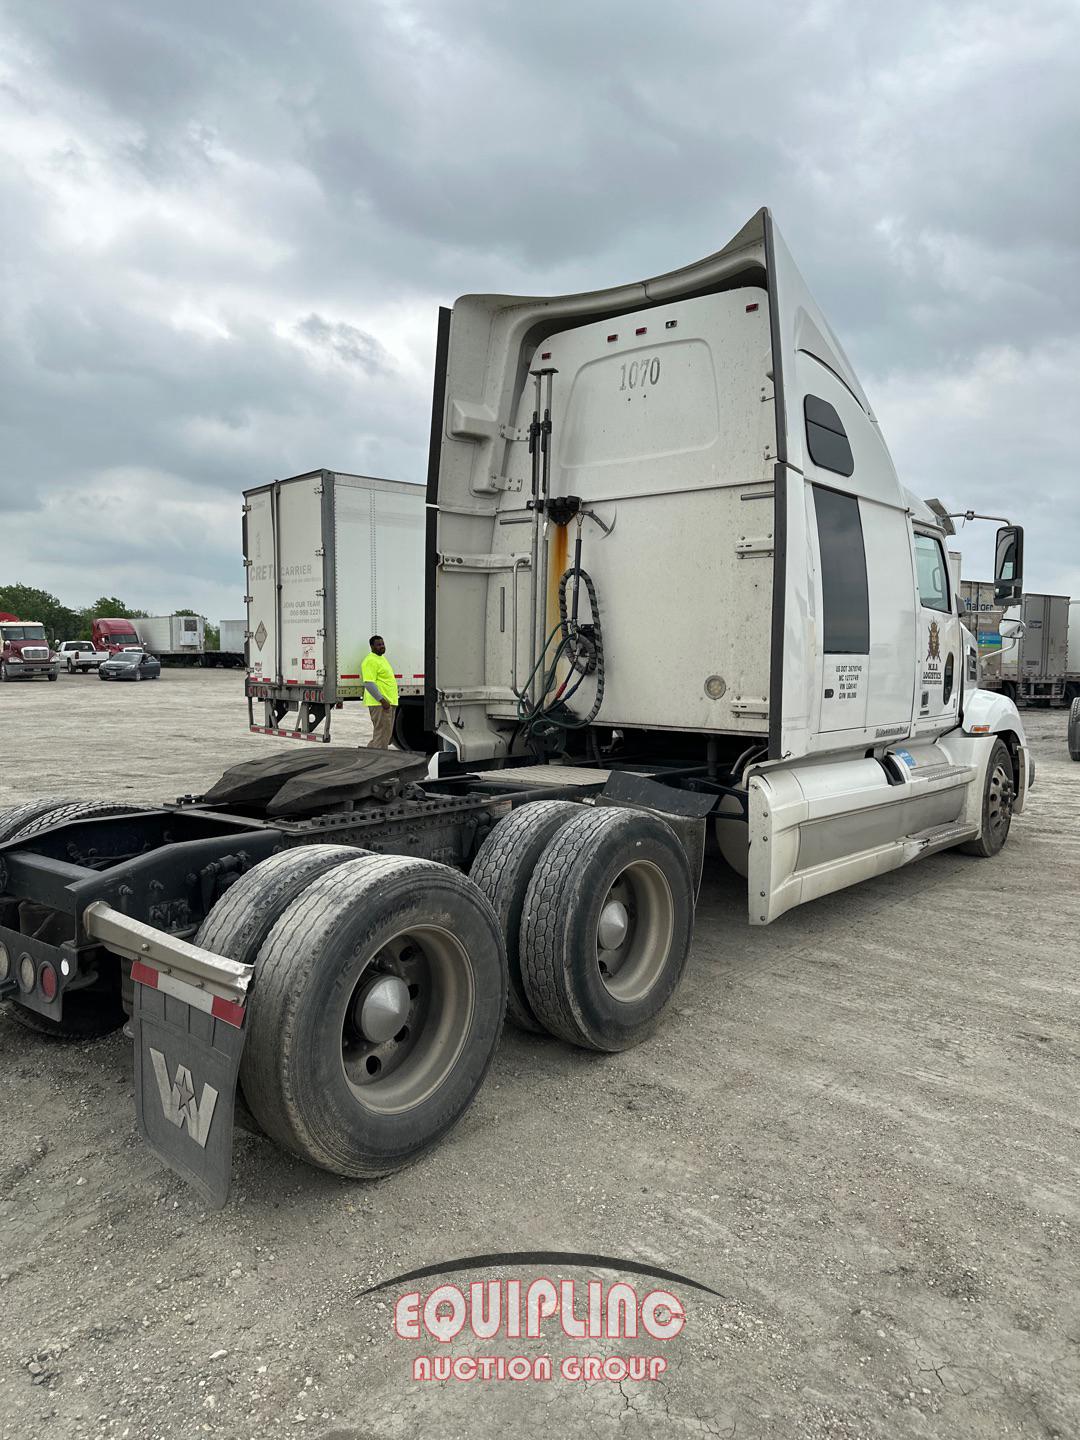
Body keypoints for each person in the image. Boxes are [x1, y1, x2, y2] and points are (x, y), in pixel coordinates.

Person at [361, 634, 398, 748]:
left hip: (388, 703)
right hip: (380, 704)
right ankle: (378, 762)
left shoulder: (381, 658)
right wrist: (382, 701)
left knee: (384, 736)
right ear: (372, 646)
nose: (382, 646)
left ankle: (369, 755)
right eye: (378, 645)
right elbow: (368, 683)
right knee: (382, 736)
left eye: (382, 644)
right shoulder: (370, 661)